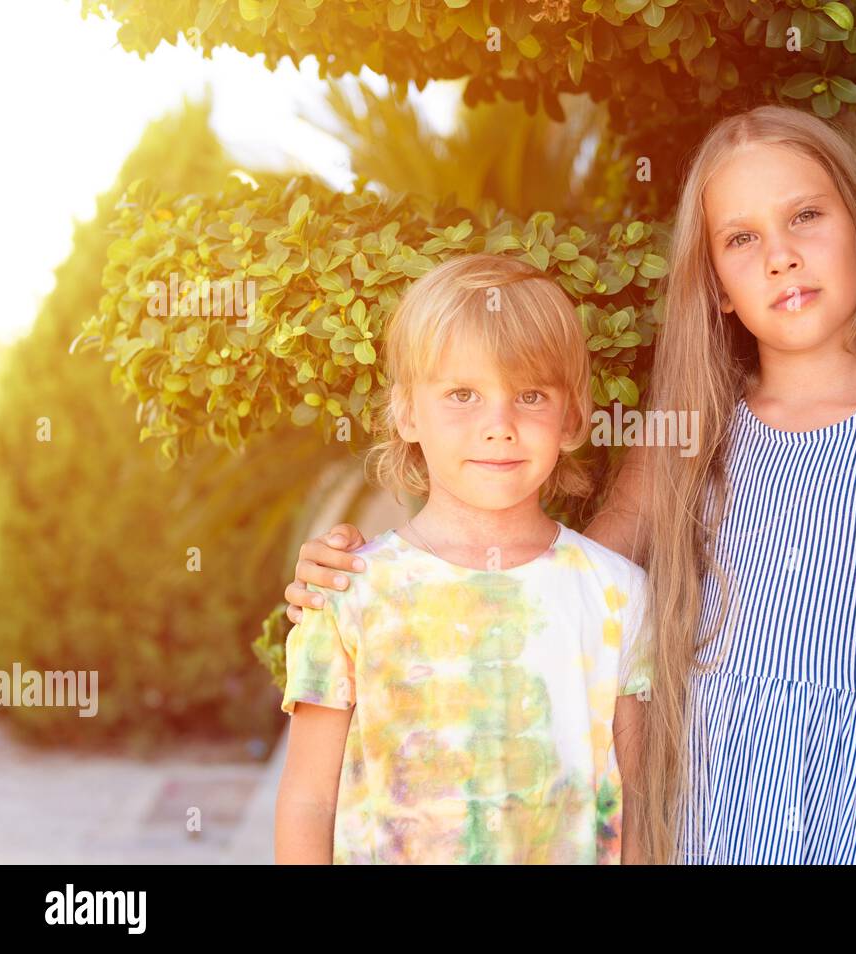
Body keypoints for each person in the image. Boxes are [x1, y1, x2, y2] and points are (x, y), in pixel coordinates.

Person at [287, 105, 856, 864]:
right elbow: (554, 593)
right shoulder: (687, 434)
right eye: (742, 239)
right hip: (702, 821)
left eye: (806, 217)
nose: (782, 257)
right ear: (719, 285)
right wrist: (345, 580)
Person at [274, 253, 651, 864]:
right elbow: (307, 801)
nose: (498, 425)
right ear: (406, 412)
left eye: (530, 394)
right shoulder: (347, 592)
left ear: (572, 417)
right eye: (462, 394)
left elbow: (639, 801)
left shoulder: (617, 594)